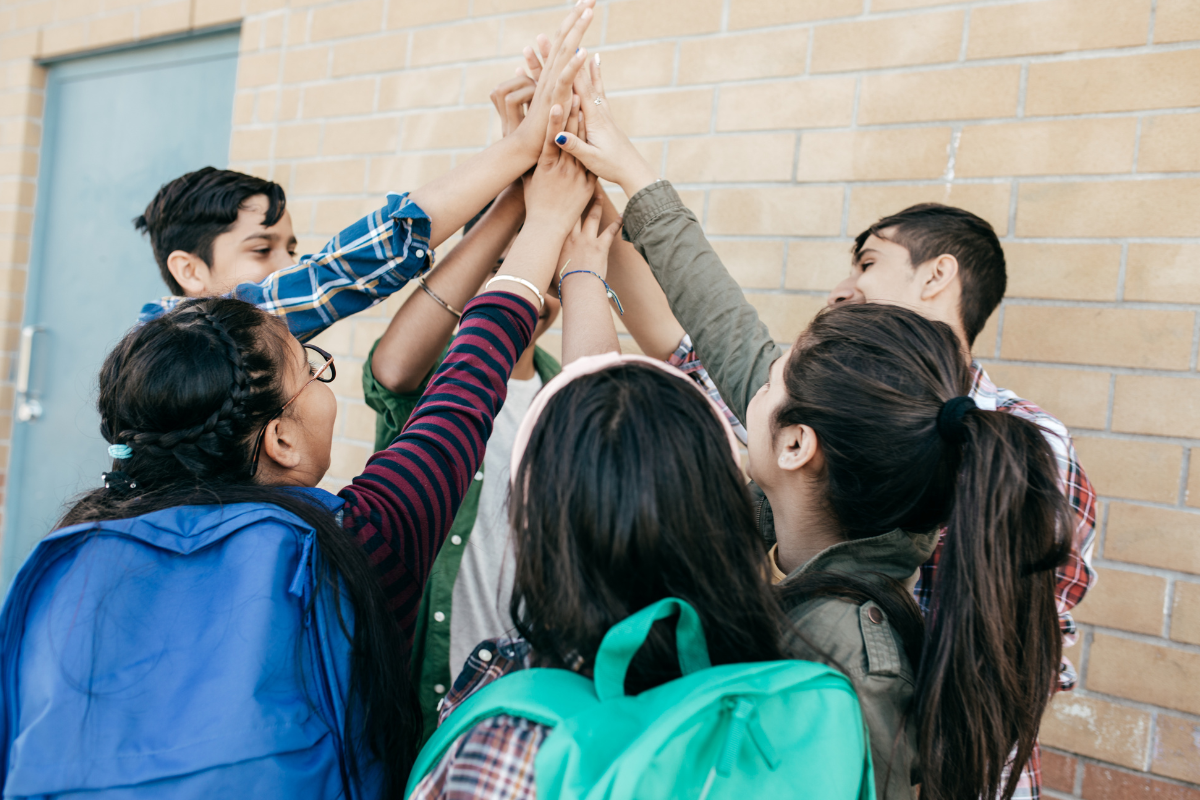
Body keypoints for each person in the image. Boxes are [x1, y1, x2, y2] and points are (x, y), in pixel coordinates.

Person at [0, 12, 597, 796]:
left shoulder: (85, 538)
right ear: (279, 438)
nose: (326, 380)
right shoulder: (342, 551)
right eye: (313, 372)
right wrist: (548, 217)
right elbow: (455, 402)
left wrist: (514, 195)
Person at [555, 56, 1096, 798]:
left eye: (868, 262)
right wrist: (600, 192)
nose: (843, 287)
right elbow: (714, 330)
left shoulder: (1014, 446)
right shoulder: (857, 459)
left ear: (937, 277)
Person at [409, 209, 792, 798]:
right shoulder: (778, 695)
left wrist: (554, 228)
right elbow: (623, 412)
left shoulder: (510, 734)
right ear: (725, 511)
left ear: (533, 522)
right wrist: (585, 261)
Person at [745, 302, 1070, 800]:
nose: (756, 390)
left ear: (795, 446)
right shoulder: (826, 599)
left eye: (768, 385)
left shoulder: (836, 656)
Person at [134, 1, 600, 345]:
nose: (287, 266)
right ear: (188, 270)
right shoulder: (182, 340)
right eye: (261, 249)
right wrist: (518, 148)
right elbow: (336, 273)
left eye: (291, 249)